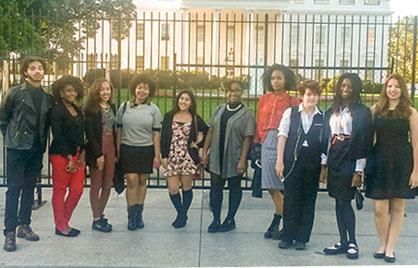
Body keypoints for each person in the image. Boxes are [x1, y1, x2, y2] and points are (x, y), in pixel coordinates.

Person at [0, 56, 53, 252]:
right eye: (33, 68)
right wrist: (11, 137)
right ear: (26, 72)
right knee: (14, 189)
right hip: (17, 148)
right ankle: (10, 232)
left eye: (40, 68)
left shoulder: (48, 97)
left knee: (30, 188)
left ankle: (24, 225)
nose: (37, 71)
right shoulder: (14, 93)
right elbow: (3, 117)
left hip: (36, 148)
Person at [365, 74, 418, 263]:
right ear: (385, 89)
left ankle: (390, 247)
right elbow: (368, 139)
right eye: (389, 86)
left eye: (396, 86)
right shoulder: (376, 110)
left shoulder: (410, 112)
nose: (392, 89)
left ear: (402, 89)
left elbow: (416, 144)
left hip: (402, 163)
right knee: (379, 209)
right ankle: (383, 242)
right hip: (379, 162)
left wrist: (416, 171)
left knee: (397, 206)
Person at [321, 73, 373, 259]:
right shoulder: (332, 110)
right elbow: (326, 138)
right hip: (335, 157)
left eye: (350, 86)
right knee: (337, 200)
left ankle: (352, 242)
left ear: (356, 89)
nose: (346, 89)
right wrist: (323, 164)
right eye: (343, 85)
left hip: (350, 158)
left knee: (345, 200)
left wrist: (359, 170)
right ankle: (342, 240)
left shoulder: (362, 112)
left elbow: (364, 142)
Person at [275, 80, 327, 250]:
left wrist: (323, 166)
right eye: (308, 94)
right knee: (291, 199)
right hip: (292, 162)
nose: (311, 98)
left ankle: (302, 238)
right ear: (301, 96)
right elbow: (282, 136)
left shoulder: (322, 117)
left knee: (308, 200)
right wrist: (280, 160)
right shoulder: (291, 113)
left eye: (315, 94)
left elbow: (324, 143)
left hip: (312, 164)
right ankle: (288, 236)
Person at [202, 80, 256, 233]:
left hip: (235, 156)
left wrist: (242, 160)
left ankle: (230, 218)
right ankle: (216, 219)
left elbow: (248, 138)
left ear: (242, 92)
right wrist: (204, 152)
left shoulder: (247, 114)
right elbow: (211, 131)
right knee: (215, 189)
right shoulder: (219, 109)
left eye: (236, 90)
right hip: (216, 156)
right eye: (229, 91)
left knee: (234, 188)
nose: (232, 93)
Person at [254, 64, 299, 239]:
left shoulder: (293, 100)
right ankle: (284, 220)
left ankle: (283, 222)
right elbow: (259, 121)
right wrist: (258, 143)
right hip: (267, 141)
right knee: (271, 185)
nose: (276, 81)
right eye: (273, 78)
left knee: (282, 185)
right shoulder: (263, 99)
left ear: (286, 79)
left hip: (284, 141)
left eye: (279, 78)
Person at [116, 74, 161, 231]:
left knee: (142, 180)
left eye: (146, 88)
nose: (142, 90)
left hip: (146, 149)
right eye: (140, 87)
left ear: (150, 91)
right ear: (134, 89)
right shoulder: (124, 107)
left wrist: (157, 155)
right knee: (132, 180)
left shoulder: (154, 109)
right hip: (128, 148)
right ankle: (130, 215)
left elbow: (156, 134)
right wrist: (118, 151)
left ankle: (138, 215)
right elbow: (119, 130)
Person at [161, 90, 208, 228]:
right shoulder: (169, 116)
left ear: (191, 102)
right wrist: (163, 156)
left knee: (187, 188)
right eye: (182, 98)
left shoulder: (194, 118)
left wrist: (198, 144)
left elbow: (207, 131)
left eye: (187, 99)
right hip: (172, 156)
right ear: (178, 100)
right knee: (173, 188)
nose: (183, 101)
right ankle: (182, 214)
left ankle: (181, 216)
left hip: (187, 158)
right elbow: (164, 138)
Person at [49, 75, 86, 237]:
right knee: (60, 190)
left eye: (75, 91)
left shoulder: (77, 109)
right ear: (61, 93)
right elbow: (58, 135)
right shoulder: (56, 111)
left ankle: (63, 221)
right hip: (61, 155)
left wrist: (82, 153)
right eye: (68, 91)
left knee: (77, 190)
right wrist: (69, 157)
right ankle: (62, 225)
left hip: (77, 155)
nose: (72, 94)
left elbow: (81, 133)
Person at [84, 78, 117, 233]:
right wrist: (98, 154)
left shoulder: (112, 107)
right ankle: (96, 218)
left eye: (108, 89)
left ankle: (100, 213)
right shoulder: (91, 109)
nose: (106, 92)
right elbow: (90, 134)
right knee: (96, 185)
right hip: (97, 148)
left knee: (107, 184)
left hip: (110, 147)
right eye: (102, 89)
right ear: (96, 91)